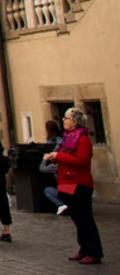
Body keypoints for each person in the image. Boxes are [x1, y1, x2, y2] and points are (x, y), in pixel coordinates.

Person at [44, 108, 103, 264]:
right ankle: (83, 249)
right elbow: (67, 158)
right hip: (67, 183)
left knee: (85, 219)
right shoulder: (67, 139)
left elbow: (81, 161)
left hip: (80, 184)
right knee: (78, 220)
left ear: (75, 122)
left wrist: (59, 156)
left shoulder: (83, 140)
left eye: (67, 118)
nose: (64, 120)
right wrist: (54, 158)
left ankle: (94, 252)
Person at [40, 120, 67, 215]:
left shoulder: (56, 164)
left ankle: (62, 204)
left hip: (64, 188)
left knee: (48, 190)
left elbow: (42, 168)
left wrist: (45, 158)